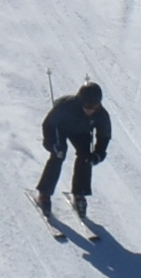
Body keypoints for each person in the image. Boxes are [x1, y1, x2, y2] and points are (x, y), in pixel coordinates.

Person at [36, 82, 111, 218]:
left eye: (94, 105)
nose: (90, 109)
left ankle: (79, 193)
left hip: (81, 133)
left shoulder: (101, 115)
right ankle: (44, 193)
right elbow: (48, 124)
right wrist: (52, 144)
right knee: (59, 155)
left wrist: (98, 154)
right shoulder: (66, 106)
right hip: (61, 128)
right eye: (87, 105)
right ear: (80, 101)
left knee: (86, 157)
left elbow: (104, 136)